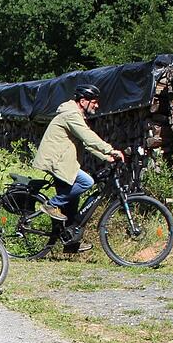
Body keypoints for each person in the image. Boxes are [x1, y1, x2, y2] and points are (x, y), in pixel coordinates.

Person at [31, 83, 124, 252]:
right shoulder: (71, 114)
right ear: (83, 101)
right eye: (94, 102)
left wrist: (107, 157)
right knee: (86, 182)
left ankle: (70, 244)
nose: (97, 105)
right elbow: (88, 138)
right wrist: (110, 149)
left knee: (72, 202)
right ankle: (51, 205)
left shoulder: (76, 115)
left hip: (63, 162)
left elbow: (86, 144)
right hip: (56, 161)